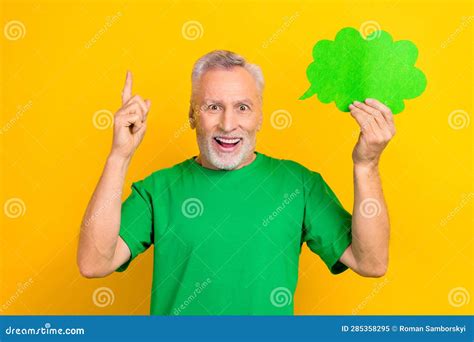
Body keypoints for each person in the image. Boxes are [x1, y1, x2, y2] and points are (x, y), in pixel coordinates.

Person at [77, 50, 395, 315]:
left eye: (242, 107)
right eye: (213, 107)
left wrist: (366, 165)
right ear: (192, 115)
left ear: (259, 116)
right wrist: (119, 157)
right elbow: (94, 262)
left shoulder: (299, 184)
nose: (228, 124)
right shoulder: (159, 189)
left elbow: (371, 261)